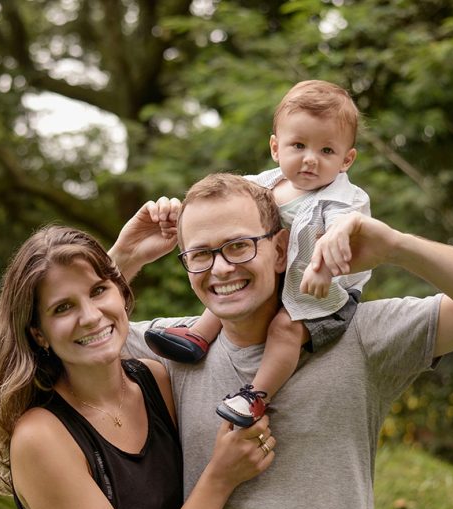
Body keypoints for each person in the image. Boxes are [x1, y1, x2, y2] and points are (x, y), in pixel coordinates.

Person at [109, 172, 453, 509]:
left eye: (239, 246)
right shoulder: (177, 349)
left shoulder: (360, 337)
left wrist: (396, 247)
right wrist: (123, 258)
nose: (221, 268)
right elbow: (40, 348)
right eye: (200, 254)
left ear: (280, 250)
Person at [0, 225, 276, 509]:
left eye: (99, 291)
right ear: (38, 333)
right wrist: (220, 477)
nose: (90, 316)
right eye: (62, 308)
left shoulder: (157, 380)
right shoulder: (41, 436)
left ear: (120, 293)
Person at [145, 80, 371, 427]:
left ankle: (255, 395)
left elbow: (344, 231)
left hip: (324, 294)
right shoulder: (267, 184)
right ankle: (199, 335)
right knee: (232, 279)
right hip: (282, 278)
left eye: (327, 151)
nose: (310, 159)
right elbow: (223, 203)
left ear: (347, 159)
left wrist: (328, 258)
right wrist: (185, 214)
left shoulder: (343, 201)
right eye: (299, 145)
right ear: (276, 147)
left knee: (285, 329)